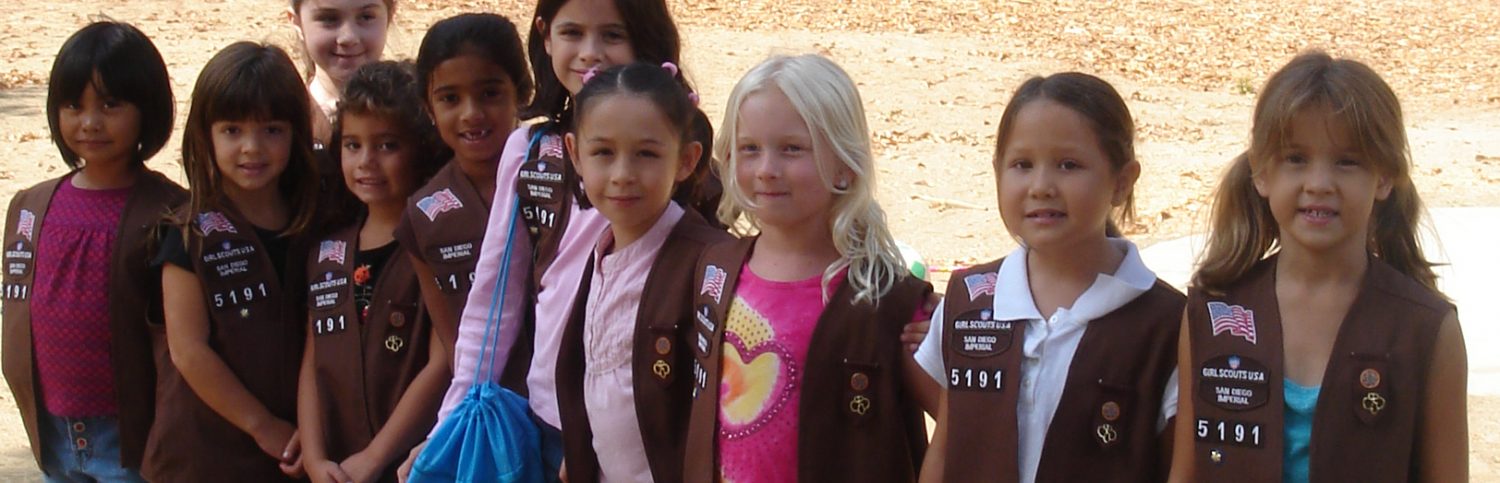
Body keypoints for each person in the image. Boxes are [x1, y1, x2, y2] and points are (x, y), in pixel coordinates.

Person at [401, 1, 704, 479]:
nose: (590, 52)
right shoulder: (529, 150)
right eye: (572, 33)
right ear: (545, 34)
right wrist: (451, 424)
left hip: (643, 424)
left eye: (612, 35)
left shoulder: (673, 159)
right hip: (549, 416)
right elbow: (493, 301)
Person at [1168, 51, 1468, 483]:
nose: (1319, 183)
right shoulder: (1211, 312)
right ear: (1261, 172)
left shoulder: (1427, 329)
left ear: (1384, 177)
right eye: (1296, 158)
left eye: (1347, 161)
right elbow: (1187, 473)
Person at [916, 72, 1183, 483]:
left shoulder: (1168, 325)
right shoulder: (968, 300)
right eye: (1022, 165)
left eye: (1068, 165)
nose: (1041, 186)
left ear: (1122, 182)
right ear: (997, 172)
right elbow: (946, 447)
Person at [680, 54, 932, 482]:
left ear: (845, 165)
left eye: (792, 149)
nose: (766, 170)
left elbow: (961, 421)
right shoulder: (714, 270)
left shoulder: (885, 298)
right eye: (750, 149)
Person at [1, 20, 186, 482]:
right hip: (52, 435)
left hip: (132, 440)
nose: (90, 122)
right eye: (73, 105)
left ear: (148, 107)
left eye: (110, 104)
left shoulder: (171, 213)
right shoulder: (30, 207)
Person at [142, 41, 321, 482]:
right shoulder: (188, 233)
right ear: (205, 135)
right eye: (232, 130)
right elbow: (189, 350)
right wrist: (263, 426)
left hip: (302, 449)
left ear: (296, 133)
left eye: (272, 130)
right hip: (203, 458)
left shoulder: (319, 223)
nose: (251, 148)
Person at [553, 62, 728, 483]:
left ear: (686, 160)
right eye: (603, 153)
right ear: (575, 154)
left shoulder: (710, 266)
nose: (622, 175)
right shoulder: (602, 251)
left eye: (646, 154)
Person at [298, 60, 452, 483]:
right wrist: (313, 457)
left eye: (386, 145)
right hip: (336, 469)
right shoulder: (327, 251)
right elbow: (312, 362)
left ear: (421, 149)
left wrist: (374, 457)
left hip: (409, 466)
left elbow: (444, 361)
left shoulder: (435, 245)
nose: (366, 161)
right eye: (353, 145)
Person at [287, 0, 395, 148]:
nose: (348, 38)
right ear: (297, 22)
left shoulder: (416, 115)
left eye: (366, 17)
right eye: (328, 18)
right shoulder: (282, 121)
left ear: (390, 16)